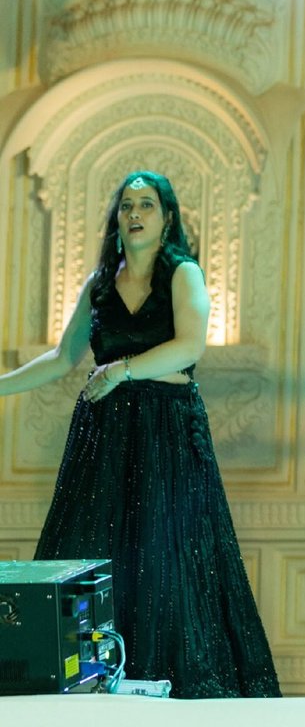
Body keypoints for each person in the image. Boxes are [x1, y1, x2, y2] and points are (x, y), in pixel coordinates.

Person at [0, 171, 279, 697]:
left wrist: (120, 370)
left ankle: (172, 689)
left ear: (167, 217)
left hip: (166, 434)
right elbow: (62, 358)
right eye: (127, 204)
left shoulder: (183, 274)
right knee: (95, 553)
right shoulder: (100, 284)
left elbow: (190, 346)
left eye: (146, 204)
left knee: (166, 561)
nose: (135, 213)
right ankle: (90, 683)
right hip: (104, 439)